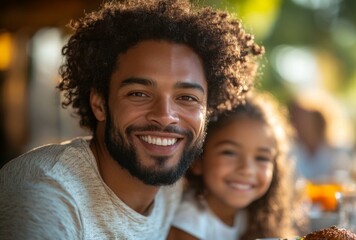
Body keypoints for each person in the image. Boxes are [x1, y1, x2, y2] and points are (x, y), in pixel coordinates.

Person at [0, 0, 264, 239]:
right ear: (100, 104)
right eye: (139, 93)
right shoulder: (45, 193)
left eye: (187, 98)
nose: (165, 116)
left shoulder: (174, 185)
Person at [167, 92, 302, 240]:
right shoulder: (190, 221)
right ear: (198, 160)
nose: (247, 169)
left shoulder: (252, 215)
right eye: (229, 153)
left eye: (262, 158)